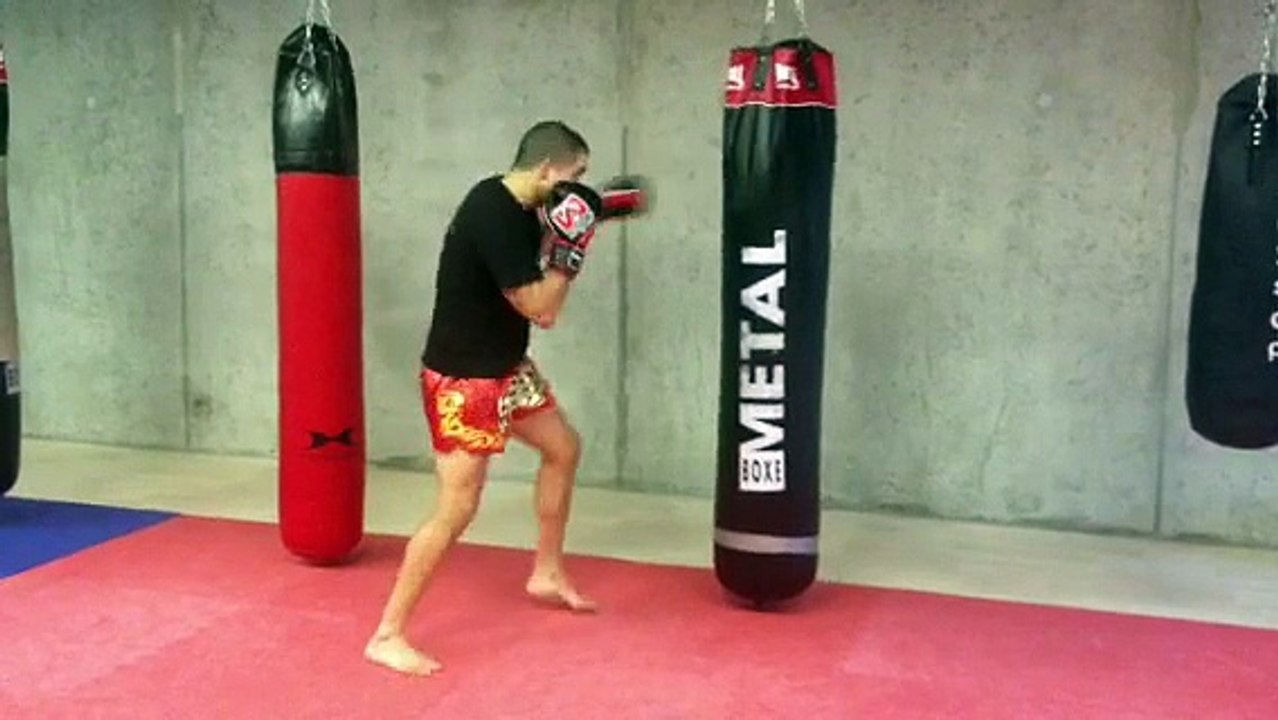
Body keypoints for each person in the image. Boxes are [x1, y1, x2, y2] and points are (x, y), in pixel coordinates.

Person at [364, 120, 605, 677]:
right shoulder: (493, 214)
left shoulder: (525, 208)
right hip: (465, 380)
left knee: (563, 447)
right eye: (576, 174)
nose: (576, 186)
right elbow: (543, 309)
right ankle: (387, 633)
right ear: (547, 170)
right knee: (458, 507)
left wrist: (586, 221)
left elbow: (545, 286)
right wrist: (571, 252)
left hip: (505, 368)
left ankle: (545, 572)